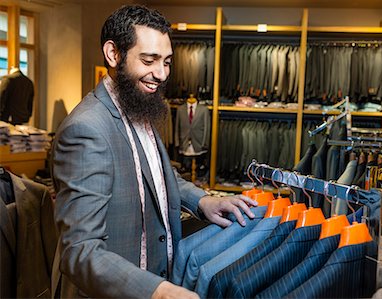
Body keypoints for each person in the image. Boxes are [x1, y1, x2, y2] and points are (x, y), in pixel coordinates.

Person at [51, 5, 257, 299]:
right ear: (113, 54)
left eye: (167, 62)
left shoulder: (137, 104)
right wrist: (157, 291)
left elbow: (158, 174)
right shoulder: (86, 130)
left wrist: (203, 201)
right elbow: (80, 250)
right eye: (149, 60)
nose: (161, 74)